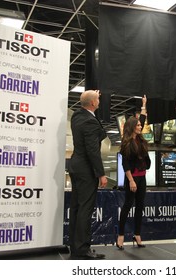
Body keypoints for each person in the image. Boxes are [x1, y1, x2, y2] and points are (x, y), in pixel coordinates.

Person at [68, 90, 108, 259]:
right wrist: (101, 174)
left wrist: (90, 97)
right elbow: (93, 151)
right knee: (85, 209)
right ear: (92, 104)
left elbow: (86, 112)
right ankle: (83, 249)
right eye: (98, 99)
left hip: (75, 166)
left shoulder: (77, 117)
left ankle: (75, 247)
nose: (99, 100)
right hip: (86, 170)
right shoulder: (90, 122)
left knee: (77, 207)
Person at [116, 96, 151, 250]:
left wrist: (144, 105)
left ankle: (137, 234)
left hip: (142, 177)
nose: (140, 126)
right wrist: (130, 181)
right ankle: (121, 235)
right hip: (132, 178)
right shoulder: (126, 143)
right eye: (137, 125)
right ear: (132, 127)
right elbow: (125, 164)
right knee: (128, 206)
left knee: (140, 206)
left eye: (139, 125)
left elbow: (142, 118)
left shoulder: (140, 139)